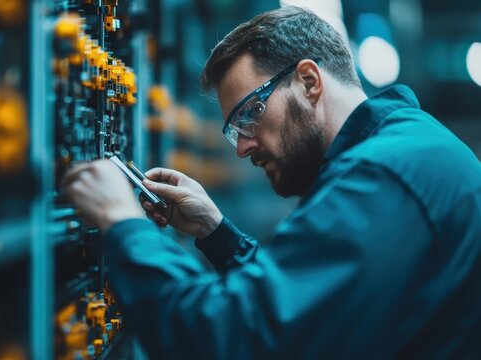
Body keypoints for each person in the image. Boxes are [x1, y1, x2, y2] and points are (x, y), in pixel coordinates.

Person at [62, 6, 481, 359]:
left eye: (250, 114)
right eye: (233, 129)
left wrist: (122, 223)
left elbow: (233, 340)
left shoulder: (385, 177)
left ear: (309, 82)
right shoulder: (403, 150)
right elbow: (312, 308)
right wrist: (218, 233)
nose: (241, 148)